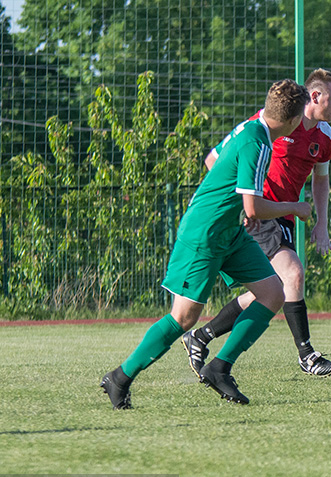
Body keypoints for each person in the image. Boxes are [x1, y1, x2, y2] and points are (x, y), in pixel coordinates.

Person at [100, 79, 311, 408]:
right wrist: (293, 207)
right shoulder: (260, 143)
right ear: (296, 121)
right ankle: (120, 377)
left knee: (273, 293)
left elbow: (213, 159)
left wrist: (241, 207)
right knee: (183, 318)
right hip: (204, 234)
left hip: (230, 232)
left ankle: (219, 368)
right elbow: (255, 206)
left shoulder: (249, 127)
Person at [181, 69, 331, 378]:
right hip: (261, 214)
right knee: (293, 275)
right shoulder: (270, 122)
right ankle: (307, 354)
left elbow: (321, 181)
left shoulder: (325, 135)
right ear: (314, 97)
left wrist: (321, 224)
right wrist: (241, 205)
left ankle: (201, 337)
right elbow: (214, 159)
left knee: (270, 290)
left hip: (284, 217)